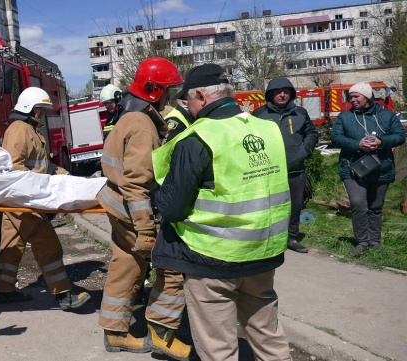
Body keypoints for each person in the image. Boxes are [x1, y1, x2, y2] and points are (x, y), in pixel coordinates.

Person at [151, 63, 292, 361]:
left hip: (212, 259)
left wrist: (156, 193)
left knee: (219, 347)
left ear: (200, 96)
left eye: (187, 100)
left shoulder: (199, 137)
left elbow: (173, 208)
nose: (187, 107)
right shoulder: (269, 129)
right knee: (268, 337)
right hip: (264, 252)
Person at [97, 57, 185, 354]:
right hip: (130, 210)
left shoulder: (127, 117)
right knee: (170, 267)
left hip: (116, 205)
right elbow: (136, 184)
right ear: (154, 90)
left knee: (126, 265)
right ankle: (161, 334)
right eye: (168, 91)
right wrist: (146, 228)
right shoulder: (143, 125)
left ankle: (114, 332)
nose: (170, 97)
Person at [0, 86, 91, 310]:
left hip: (20, 199)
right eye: (40, 109)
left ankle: (4, 290)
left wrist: (71, 179)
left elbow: (43, 167)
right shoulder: (20, 130)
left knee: (11, 245)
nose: (43, 114)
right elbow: (13, 168)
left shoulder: (31, 130)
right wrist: (35, 191)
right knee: (48, 244)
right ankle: (64, 295)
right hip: (23, 199)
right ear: (29, 108)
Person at [141, 88, 196, 361]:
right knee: (172, 271)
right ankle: (161, 335)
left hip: (176, 205)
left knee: (173, 271)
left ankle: (162, 332)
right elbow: (166, 167)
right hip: (172, 206)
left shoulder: (184, 121)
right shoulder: (177, 122)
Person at [330, 82, 406, 256]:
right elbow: (335, 137)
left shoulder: (387, 115)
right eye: (351, 97)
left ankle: (375, 241)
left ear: (367, 96)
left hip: (381, 167)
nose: (353, 100)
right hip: (352, 168)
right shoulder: (345, 117)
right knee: (358, 204)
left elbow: (400, 135)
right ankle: (362, 241)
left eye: (357, 96)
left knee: (375, 205)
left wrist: (381, 142)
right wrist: (358, 144)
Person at [253, 77, 319, 253]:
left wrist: (304, 151)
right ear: (270, 94)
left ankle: (291, 237)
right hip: (268, 171)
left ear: (290, 94)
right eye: (277, 91)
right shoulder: (259, 114)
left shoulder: (300, 113)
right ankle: (269, 237)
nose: (282, 95)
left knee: (295, 205)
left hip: (294, 169)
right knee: (268, 205)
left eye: (286, 91)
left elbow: (311, 133)